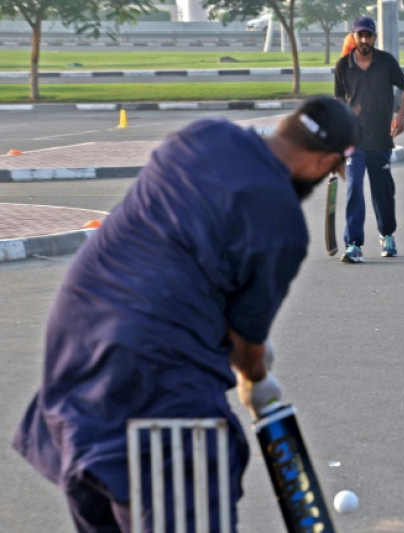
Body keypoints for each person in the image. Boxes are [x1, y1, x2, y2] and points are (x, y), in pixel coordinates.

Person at [11, 96, 359, 531]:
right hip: (159, 390)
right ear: (324, 162)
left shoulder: (205, 135)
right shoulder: (281, 222)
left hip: (74, 362)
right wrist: (258, 377)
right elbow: (245, 347)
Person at [334, 15, 404, 263]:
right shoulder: (342, 66)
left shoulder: (386, 62)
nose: (365, 39)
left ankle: (387, 235)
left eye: (369, 35)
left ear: (375, 37)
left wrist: (400, 117)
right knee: (354, 188)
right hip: (354, 141)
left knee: (383, 191)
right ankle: (354, 244)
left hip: (380, 140)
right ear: (353, 36)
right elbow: (338, 101)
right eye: (361, 35)